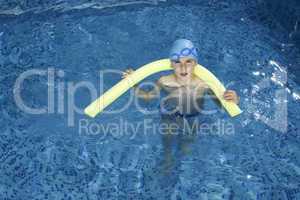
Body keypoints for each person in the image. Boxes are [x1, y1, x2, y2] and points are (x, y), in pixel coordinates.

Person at [122, 39, 239, 171]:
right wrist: (133, 83)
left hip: (192, 118)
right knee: (167, 143)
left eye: (188, 61)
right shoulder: (165, 81)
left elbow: (222, 106)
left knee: (186, 148)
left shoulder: (205, 84)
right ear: (171, 64)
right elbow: (148, 97)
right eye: (177, 62)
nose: (183, 67)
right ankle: (167, 161)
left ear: (195, 63)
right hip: (169, 115)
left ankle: (183, 168)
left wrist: (232, 100)